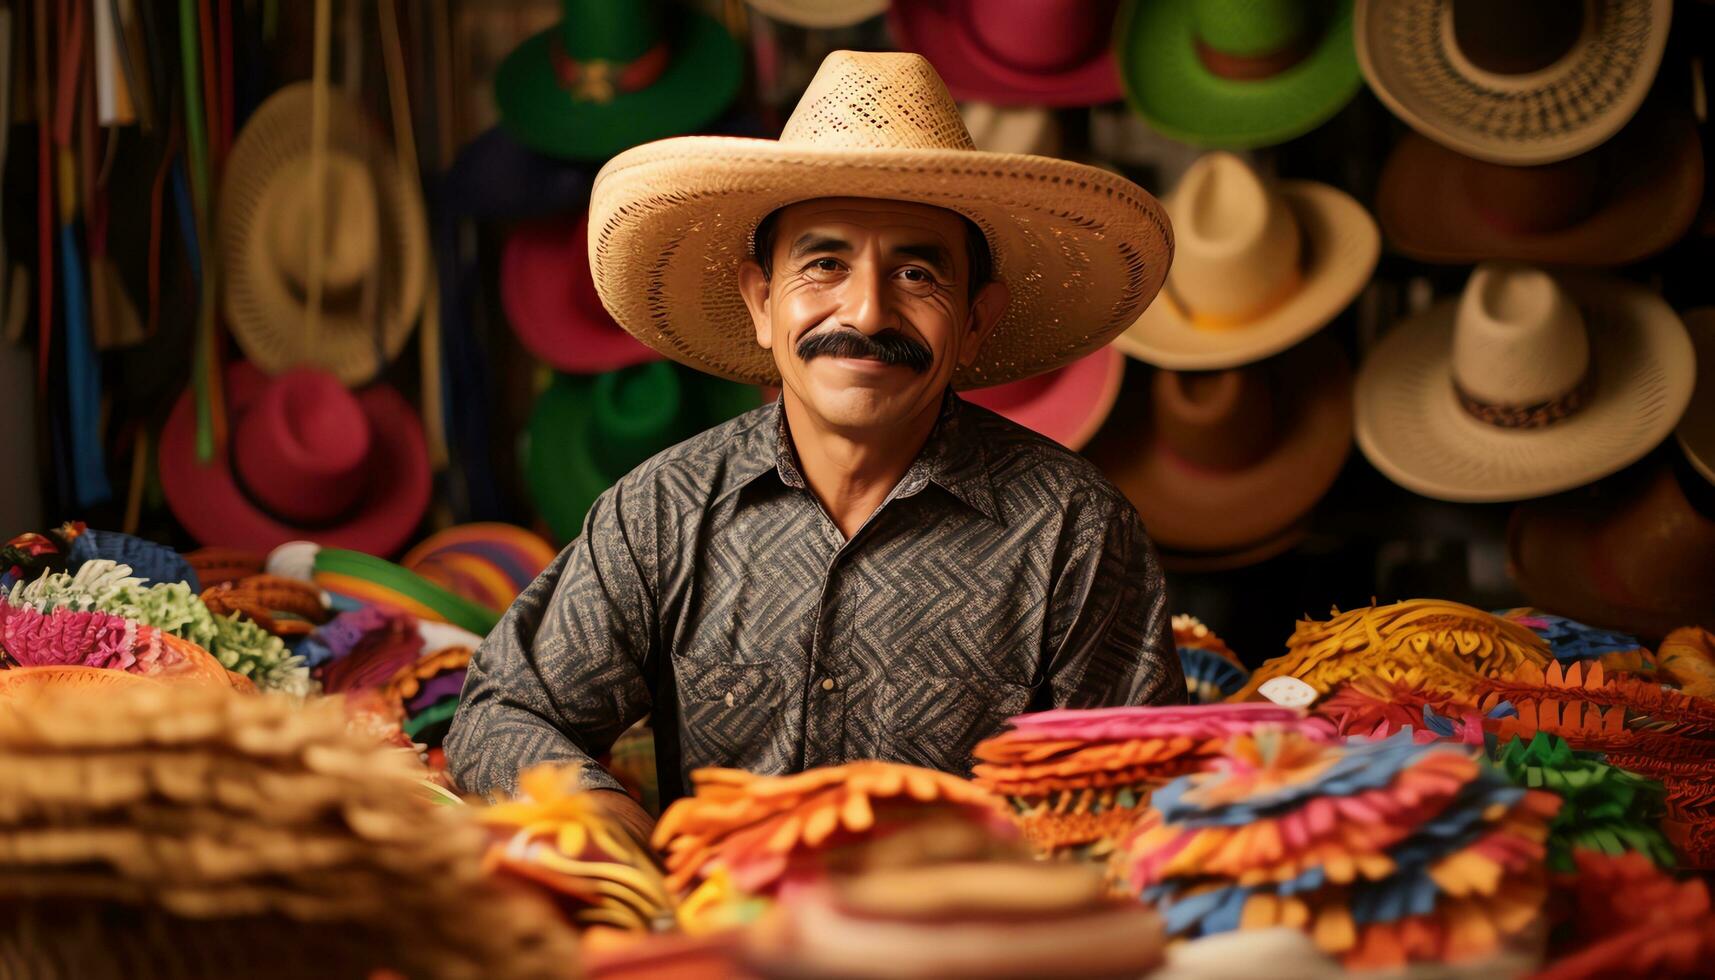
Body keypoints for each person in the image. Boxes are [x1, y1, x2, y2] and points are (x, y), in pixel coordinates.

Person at [445, 51, 1185, 842]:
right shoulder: (662, 513)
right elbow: (504, 711)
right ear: (761, 303)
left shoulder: (1071, 532)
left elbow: (1134, 795)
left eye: (915, 274)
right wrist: (604, 820)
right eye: (824, 264)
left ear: (975, 321)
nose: (865, 313)